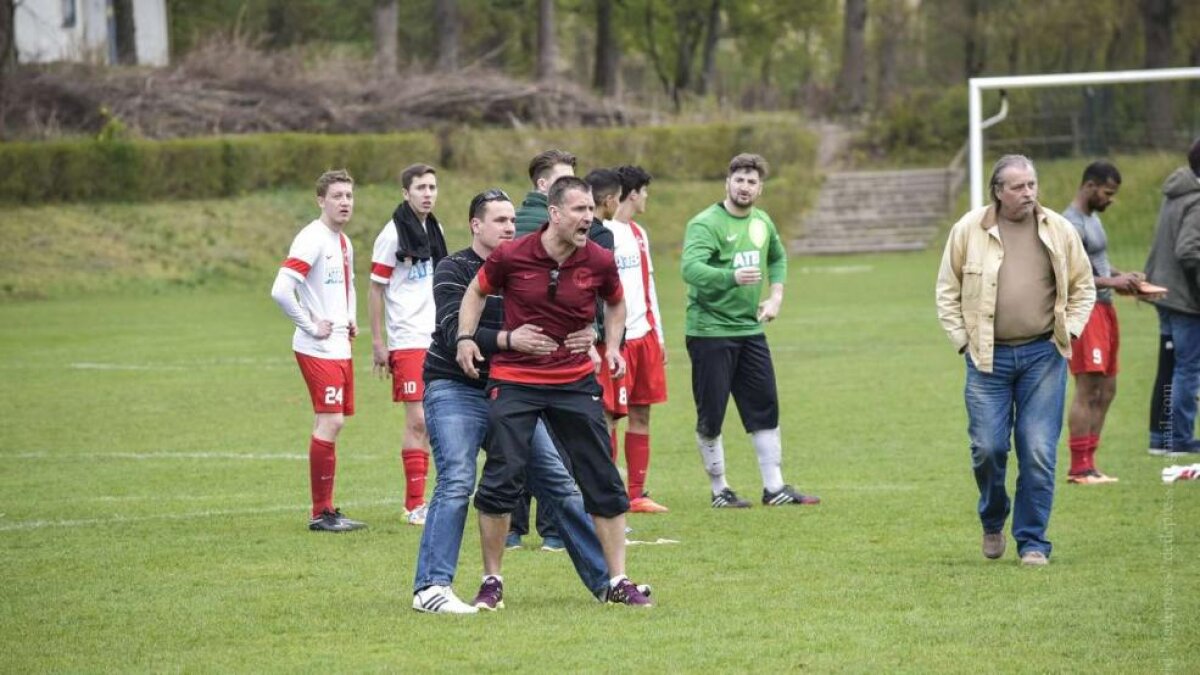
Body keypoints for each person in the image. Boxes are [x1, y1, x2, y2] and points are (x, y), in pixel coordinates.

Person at [411, 189, 628, 613]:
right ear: (476, 225)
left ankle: (609, 583)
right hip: (458, 388)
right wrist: (509, 339)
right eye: (499, 221)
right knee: (457, 480)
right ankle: (431, 587)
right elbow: (454, 328)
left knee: (560, 485)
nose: (510, 227)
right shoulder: (455, 269)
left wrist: (594, 335)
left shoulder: (532, 261)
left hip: (515, 388)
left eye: (513, 220)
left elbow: (576, 311)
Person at [456, 176, 653, 608]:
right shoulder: (512, 255)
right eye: (579, 210)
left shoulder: (598, 260)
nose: (588, 217)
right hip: (515, 380)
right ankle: (492, 581)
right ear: (554, 214)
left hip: (574, 380)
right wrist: (466, 338)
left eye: (590, 210)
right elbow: (475, 291)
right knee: (502, 477)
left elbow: (617, 302)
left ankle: (618, 579)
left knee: (601, 477)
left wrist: (611, 344)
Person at [936, 154, 1095, 566]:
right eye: (1019, 186)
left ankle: (1033, 542)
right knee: (987, 448)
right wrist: (962, 342)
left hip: (1044, 355)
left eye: (1032, 184)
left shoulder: (1059, 229)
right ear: (998, 191)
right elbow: (946, 291)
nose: (1028, 193)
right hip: (986, 358)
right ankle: (992, 519)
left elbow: (1084, 288)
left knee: (1039, 449)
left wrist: (1070, 332)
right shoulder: (968, 230)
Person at [681, 153, 821, 510]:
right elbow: (690, 269)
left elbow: (777, 256)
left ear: (761, 188)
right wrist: (730, 276)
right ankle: (719, 489)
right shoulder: (705, 223)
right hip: (710, 331)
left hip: (750, 329)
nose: (745, 187)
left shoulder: (762, 222)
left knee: (764, 405)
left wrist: (775, 296)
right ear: (727, 182)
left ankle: (774, 488)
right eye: (739, 179)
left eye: (752, 182)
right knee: (712, 412)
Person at [269, 169, 367, 533]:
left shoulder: (343, 241)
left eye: (349, 196)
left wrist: (349, 317)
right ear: (320, 200)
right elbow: (280, 290)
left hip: (339, 343)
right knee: (332, 421)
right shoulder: (311, 238)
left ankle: (326, 510)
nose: (345, 202)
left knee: (330, 421)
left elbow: (349, 285)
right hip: (317, 346)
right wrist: (311, 325)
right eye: (338, 196)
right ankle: (320, 513)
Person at [507, 148, 581, 551]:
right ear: (542, 185)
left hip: (515, 349)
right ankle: (554, 531)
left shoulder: (509, 222)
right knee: (557, 441)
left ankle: (514, 530)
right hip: (553, 349)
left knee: (516, 441)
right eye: (563, 179)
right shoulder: (550, 226)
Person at [368, 163, 447, 526]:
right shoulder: (391, 235)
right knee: (418, 420)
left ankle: (427, 501)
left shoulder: (436, 229)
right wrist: (378, 342)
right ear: (406, 193)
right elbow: (375, 288)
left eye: (432, 187)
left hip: (435, 336)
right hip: (407, 338)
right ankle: (414, 505)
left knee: (434, 421)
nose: (428, 193)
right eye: (420, 188)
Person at [1063, 161, 1141, 484]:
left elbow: (1099, 265)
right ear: (1090, 186)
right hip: (1086, 311)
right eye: (1108, 193)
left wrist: (1128, 280)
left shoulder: (1093, 220)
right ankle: (1078, 467)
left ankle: (1091, 464)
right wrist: (1114, 282)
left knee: (1107, 389)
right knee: (1088, 388)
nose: (1111, 199)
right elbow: (1070, 276)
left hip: (1105, 310)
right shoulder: (1069, 224)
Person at [604, 165, 669, 513]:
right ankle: (612, 490)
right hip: (619, 339)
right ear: (632, 194)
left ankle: (636, 493)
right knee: (611, 415)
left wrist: (658, 334)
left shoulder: (639, 233)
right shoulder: (604, 233)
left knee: (642, 413)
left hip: (645, 336)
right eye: (644, 192)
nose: (646, 199)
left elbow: (649, 287)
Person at [1145, 138, 1200, 457]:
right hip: (1184, 298)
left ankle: (1159, 437)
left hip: (1163, 291)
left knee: (1170, 364)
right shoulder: (1197, 199)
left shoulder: (1178, 190)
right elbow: (1189, 249)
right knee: (1188, 368)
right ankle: (1179, 438)